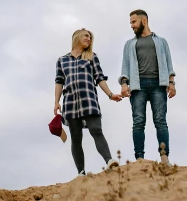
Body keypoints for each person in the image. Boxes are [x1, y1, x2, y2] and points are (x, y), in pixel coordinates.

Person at [54, 28, 122, 176]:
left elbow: (99, 78)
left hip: (89, 99)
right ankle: (81, 173)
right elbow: (59, 82)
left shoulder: (92, 57)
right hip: (70, 101)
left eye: (90, 37)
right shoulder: (62, 60)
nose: (89, 39)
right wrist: (56, 102)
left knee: (96, 130)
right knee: (76, 138)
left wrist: (110, 94)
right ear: (77, 37)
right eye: (86, 36)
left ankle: (110, 161)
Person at [119, 9, 176, 164]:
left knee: (160, 120)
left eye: (133, 22)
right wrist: (124, 83)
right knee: (138, 122)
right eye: (130, 22)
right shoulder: (129, 44)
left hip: (158, 84)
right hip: (138, 86)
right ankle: (140, 158)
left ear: (143, 21)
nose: (131, 25)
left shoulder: (161, 41)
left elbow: (169, 64)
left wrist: (171, 83)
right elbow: (125, 66)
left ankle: (164, 156)